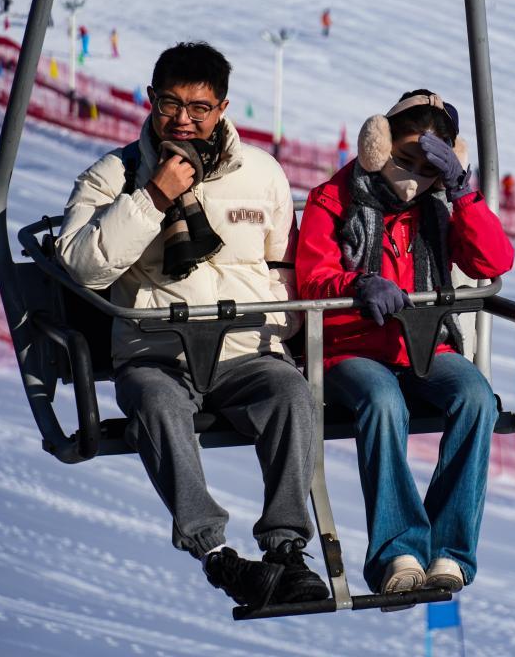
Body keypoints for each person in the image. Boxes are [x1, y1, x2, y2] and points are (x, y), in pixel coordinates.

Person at [55, 42, 329, 610]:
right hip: (157, 352)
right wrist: (154, 196)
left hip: (243, 351)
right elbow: (81, 265)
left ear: (222, 108)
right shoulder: (115, 175)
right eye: (170, 104)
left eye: (199, 107)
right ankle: (217, 554)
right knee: (158, 405)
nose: (183, 119)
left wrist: (274, 331)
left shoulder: (261, 173)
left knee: (292, 395)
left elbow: (282, 266)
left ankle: (286, 552)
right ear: (151, 101)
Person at [295, 90, 514, 605]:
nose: (414, 179)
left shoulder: (438, 209)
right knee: (383, 401)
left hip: (424, 345)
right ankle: (399, 550)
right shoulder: (335, 198)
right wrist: (357, 285)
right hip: (348, 348)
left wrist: (461, 192)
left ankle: (449, 551)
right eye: (404, 159)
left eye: (429, 170)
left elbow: (494, 260)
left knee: (477, 397)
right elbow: (311, 277)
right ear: (379, 144)